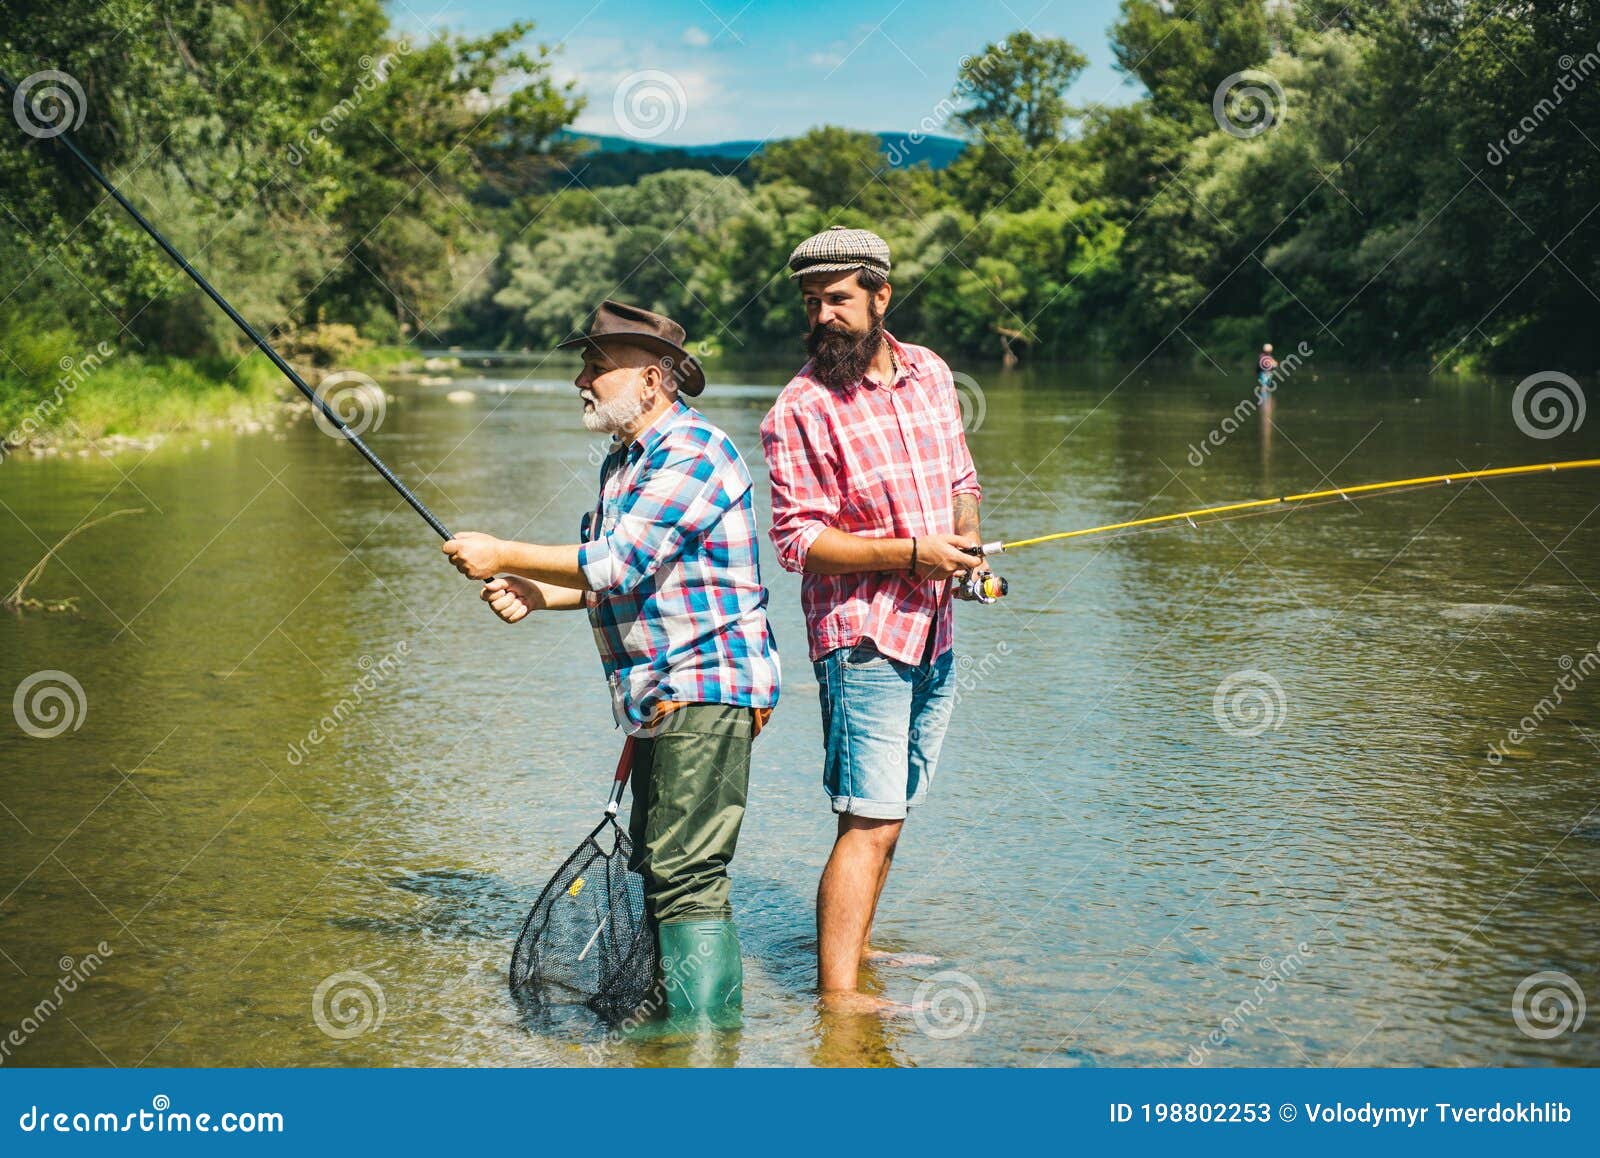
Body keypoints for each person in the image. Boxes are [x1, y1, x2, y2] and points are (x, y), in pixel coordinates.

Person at [442, 299, 780, 1028]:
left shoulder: (696, 452)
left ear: (652, 380)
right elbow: (617, 579)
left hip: (706, 686)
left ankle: (702, 1042)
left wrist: (502, 550)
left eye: (596, 366)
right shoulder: (624, 462)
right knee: (659, 870)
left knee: (687, 876)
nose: (581, 380)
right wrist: (537, 593)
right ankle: (676, 1036)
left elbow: (617, 558)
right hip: (658, 696)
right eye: (584, 365)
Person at [759, 226, 994, 1011]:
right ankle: (839, 1000)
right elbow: (799, 542)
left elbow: (962, 474)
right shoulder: (798, 408)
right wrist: (910, 554)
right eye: (811, 302)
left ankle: (854, 949)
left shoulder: (929, 370)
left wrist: (960, 539)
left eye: (838, 300)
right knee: (868, 818)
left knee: (889, 815)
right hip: (861, 636)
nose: (823, 316)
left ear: (881, 296)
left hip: (934, 625)